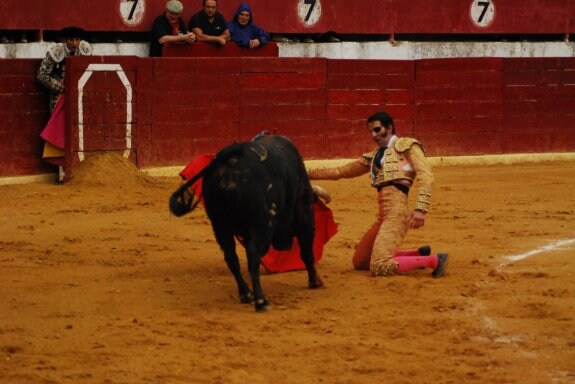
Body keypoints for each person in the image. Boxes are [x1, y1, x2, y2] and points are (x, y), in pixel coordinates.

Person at [307, 111, 449, 278]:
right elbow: (341, 171)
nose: (373, 135)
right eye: (371, 132)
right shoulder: (374, 156)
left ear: (389, 128)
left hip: (397, 214)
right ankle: (418, 254)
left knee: (379, 265)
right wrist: (305, 173)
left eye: (377, 130)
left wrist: (421, 209)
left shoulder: (407, 146)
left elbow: (426, 176)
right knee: (360, 262)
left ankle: (434, 260)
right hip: (383, 216)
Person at [37, 26, 92, 182]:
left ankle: (79, 170)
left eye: (77, 39)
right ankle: (62, 172)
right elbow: (42, 75)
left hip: (80, 96)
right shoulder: (56, 51)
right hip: (59, 97)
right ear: (64, 40)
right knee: (61, 132)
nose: (75, 43)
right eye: (71, 40)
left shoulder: (85, 49)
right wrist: (64, 88)